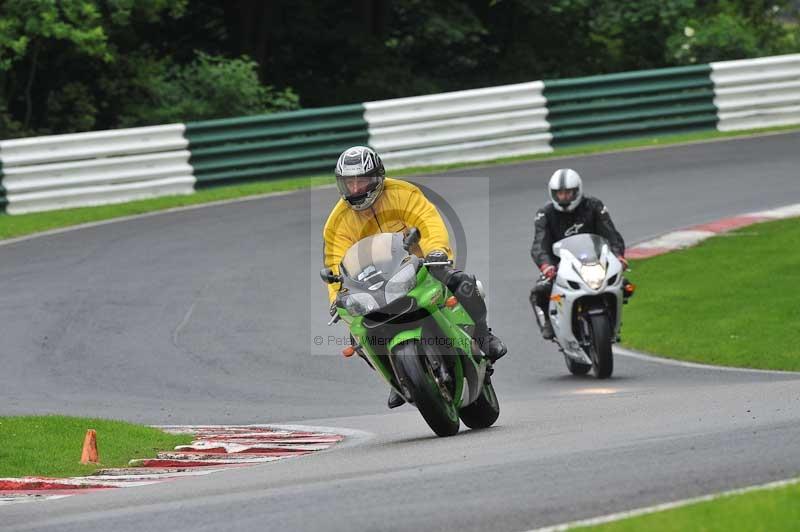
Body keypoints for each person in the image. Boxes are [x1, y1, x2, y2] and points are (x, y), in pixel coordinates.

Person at [323, 146, 507, 408]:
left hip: (418, 268)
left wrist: (436, 252)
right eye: (348, 182)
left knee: (464, 284)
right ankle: (398, 376)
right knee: (358, 333)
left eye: (361, 180)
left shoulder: (403, 193)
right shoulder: (338, 220)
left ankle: (483, 336)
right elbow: (334, 261)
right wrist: (336, 296)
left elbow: (428, 220)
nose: (355, 188)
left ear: (378, 177)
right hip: (373, 286)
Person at [530, 168, 627, 340]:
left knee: (624, 285)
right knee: (539, 291)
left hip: (595, 261)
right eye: (559, 193)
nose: (564, 197)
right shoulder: (545, 214)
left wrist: (618, 256)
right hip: (559, 266)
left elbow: (611, 234)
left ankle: (613, 320)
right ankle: (548, 322)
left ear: (577, 191)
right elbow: (539, 244)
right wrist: (546, 265)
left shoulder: (594, 206)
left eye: (568, 193)